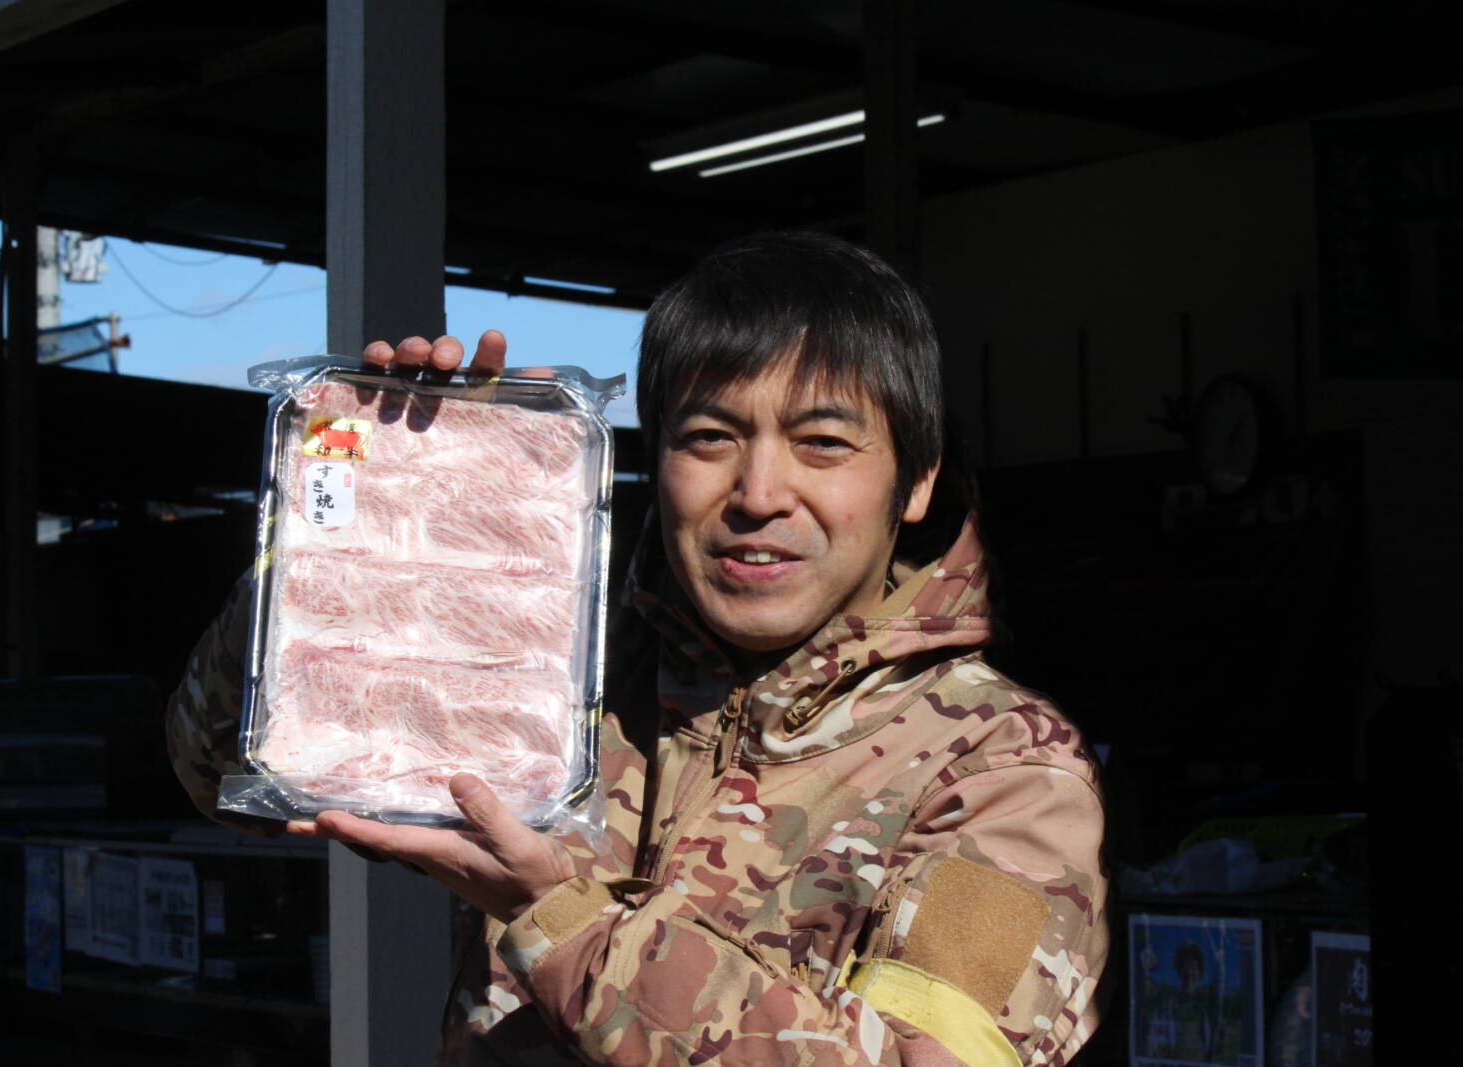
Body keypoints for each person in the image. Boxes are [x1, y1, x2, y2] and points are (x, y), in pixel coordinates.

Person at [168, 231, 1109, 1065]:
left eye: (823, 442)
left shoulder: (1004, 771)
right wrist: (360, 542)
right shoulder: (559, 678)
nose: (759, 493)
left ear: (917, 478)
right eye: (710, 437)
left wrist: (565, 922)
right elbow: (222, 776)